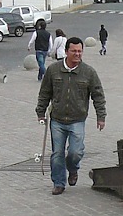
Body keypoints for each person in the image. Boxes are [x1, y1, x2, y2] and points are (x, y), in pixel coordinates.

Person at [36, 37, 106, 195]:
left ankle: (73, 169)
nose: (77, 54)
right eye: (74, 51)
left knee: (75, 153)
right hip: (57, 120)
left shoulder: (88, 72)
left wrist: (101, 117)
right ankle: (59, 183)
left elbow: (98, 95)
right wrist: (41, 112)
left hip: (77, 120)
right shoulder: (53, 70)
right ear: (66, 51)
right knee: (57, 154)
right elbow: (44, 93)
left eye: (80, 51)